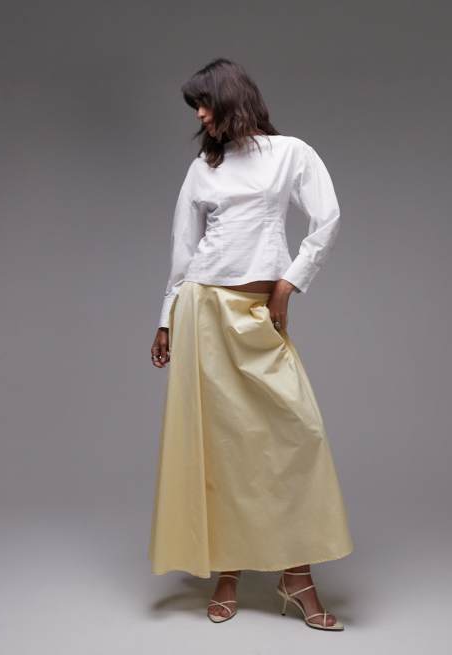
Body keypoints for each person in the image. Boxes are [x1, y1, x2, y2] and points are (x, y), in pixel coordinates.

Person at [149, 58, 354, 631]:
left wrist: (289, 284)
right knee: (219, 447)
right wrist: (166, 318)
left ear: (232, 99)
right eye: (195, 105)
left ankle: (296, 576)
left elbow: (328, 218)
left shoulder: (290, 153)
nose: (199, 114)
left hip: (257, 312)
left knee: (296, 435)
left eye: (204, 102)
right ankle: (227, 573)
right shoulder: (203, 167)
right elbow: (184, 248)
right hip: (203, 310)